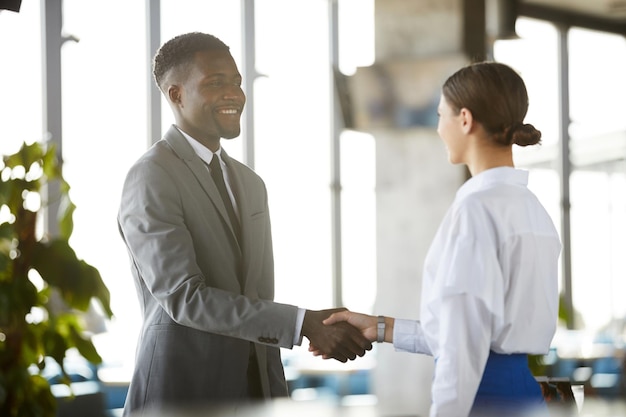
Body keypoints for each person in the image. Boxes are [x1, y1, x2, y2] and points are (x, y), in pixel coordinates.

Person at [117, 32, 371, 415]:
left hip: (257, 391)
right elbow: (185, 297)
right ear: (176, 95)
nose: (234, 94)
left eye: (236, 81)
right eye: (215, 83)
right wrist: (303, 325)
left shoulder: (250, 183)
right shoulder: (151, 175)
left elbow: (255, 297)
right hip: (181, 394)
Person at [316, 62, 562, 417]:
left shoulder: (476, 210)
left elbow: (463, 348)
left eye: (440, 115)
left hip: (482, 401)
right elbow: (471, 332)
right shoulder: (533, 210)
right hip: (525, 397)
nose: (438, 128)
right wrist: (379, 327)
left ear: (465, 119)